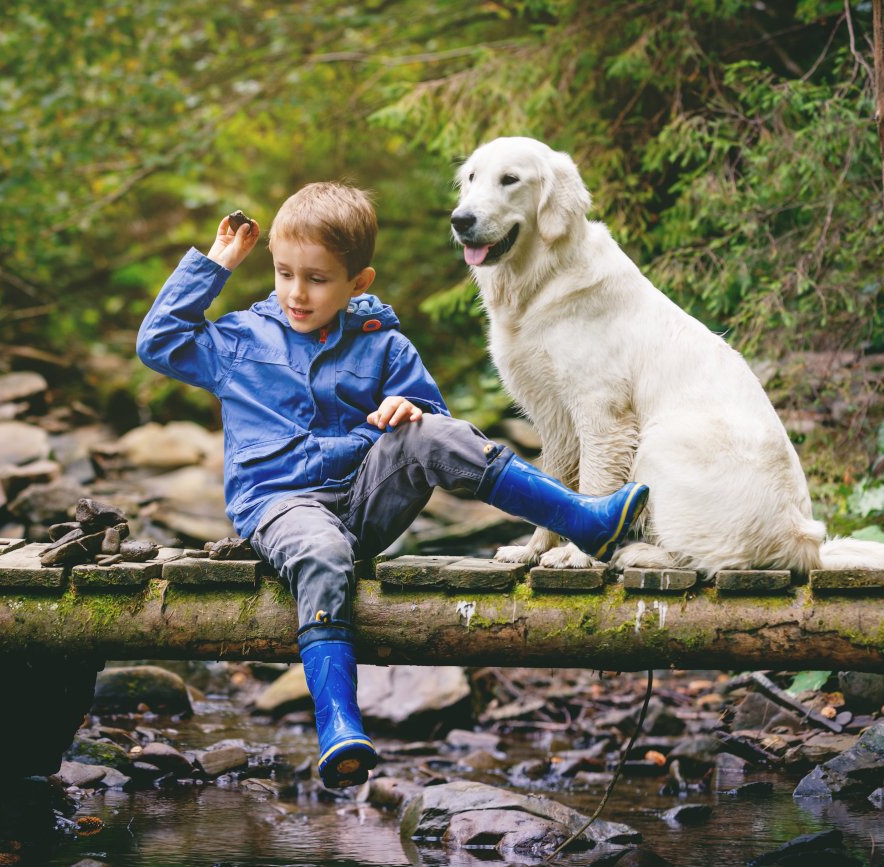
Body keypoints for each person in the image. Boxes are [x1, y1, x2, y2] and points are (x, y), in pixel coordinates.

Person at [136, 182, 648, 789]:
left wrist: (408, 408)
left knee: (429, 433)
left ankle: (585, 520)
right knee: (322, 551)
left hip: (364, 501)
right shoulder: (241, 341)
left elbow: (441, 430)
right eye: (284, 274)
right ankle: (338, 723)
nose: (297, 293)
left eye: (318, 279)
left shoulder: (384, 344)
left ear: (358, 282)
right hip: (281, 505)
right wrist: (216, 265)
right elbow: (159, 343)